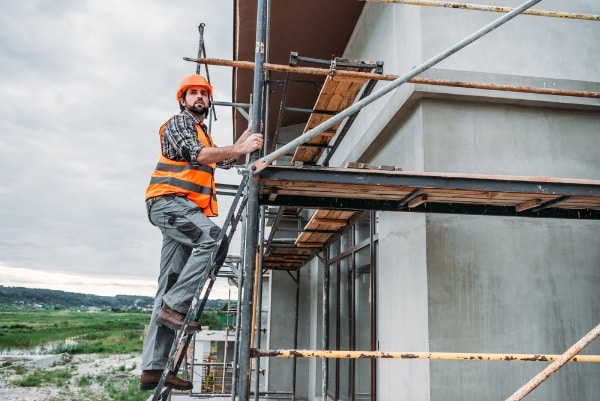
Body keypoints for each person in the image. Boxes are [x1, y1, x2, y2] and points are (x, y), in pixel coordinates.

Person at [140, 74, 263, 391]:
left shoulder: (205, 137)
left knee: (168, 282)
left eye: (203, 94)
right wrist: (237, 147)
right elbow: (201, 155)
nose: (198, 97)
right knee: (213, 241)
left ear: (209, 101)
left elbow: (223, 158)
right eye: (192, 93)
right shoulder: (179, 125)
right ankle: (175, 307)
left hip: (177, 209)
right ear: (183, 100)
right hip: (170, 203)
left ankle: (154, 368)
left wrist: (242, 143)